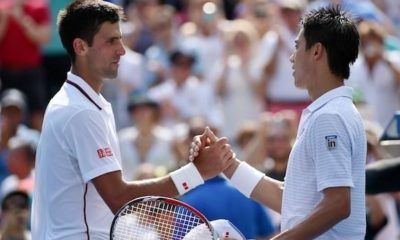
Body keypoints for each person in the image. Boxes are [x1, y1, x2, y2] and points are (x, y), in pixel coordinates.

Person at [31, 1, 234, 239]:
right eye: (111, 41)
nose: (122, 50)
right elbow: (118, 198)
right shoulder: (79, 111)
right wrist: (195, 173)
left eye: (120, 39)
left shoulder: (80, 103)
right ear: (80, 46)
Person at [191, 6, 367, 239]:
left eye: (297, 47)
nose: (292, 57)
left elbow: (338, 204)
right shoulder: (330, 113)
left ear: (316, 51)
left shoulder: (329, 117)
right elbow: (292, 201)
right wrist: (228, 164)